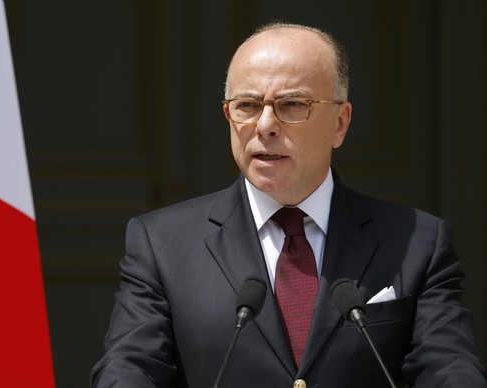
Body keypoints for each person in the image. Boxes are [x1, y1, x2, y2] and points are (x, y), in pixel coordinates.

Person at [91, 23, 487, 387]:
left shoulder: (418, 241)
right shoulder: (162, 243)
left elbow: (449, 370)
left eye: (293, 104)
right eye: (247, 105)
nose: (265, 125)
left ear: (340, 123)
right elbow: (129, 369)